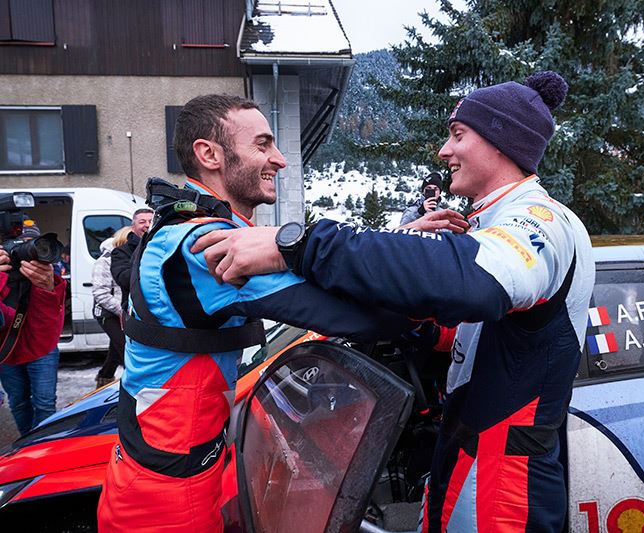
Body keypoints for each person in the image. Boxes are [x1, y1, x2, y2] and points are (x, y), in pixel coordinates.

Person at [195, 71, 594, 532]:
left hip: (503, 478)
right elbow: (468, 328)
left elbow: (472, 283)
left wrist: (301, 246)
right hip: (471, 452)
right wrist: (413, 321)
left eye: (457, 135)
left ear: (502, 144)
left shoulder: (541, 220)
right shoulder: (495, 223)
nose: (444, 151)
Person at [97, 94, 423, 532]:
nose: (281, 160)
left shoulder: (183, 225)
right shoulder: (205, 246)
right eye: (263, 144)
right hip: (171, 495)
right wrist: (433, 286)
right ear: (208, 154)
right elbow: (355, 314)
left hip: (167, 466)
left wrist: (400, 240)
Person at [0, 220, 66, 436]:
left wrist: (47, 288)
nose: (29, 251)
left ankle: (42, 447)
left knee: (45, 403)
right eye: (20, 245)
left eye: (33, 243)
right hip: (7, 350)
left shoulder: (47, 268)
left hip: (41, 348)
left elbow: (48, 325)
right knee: (18, 402)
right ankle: (26, 445)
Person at [92, 227, 130, 389]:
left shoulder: (129, 256)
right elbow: (100, 293)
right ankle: (130, 390)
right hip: (107, 313)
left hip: (123, 311)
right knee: (125, 351)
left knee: (115, 350)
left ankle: (103, 379)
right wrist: (121, 310)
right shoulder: (105, 260)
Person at [110, 208, 153, 312]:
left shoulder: (166, 247)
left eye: (151, 221)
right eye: (142, 222)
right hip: (137, 311)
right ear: (133, 227)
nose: (147, 225)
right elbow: (123, 278)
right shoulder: (120, 252)